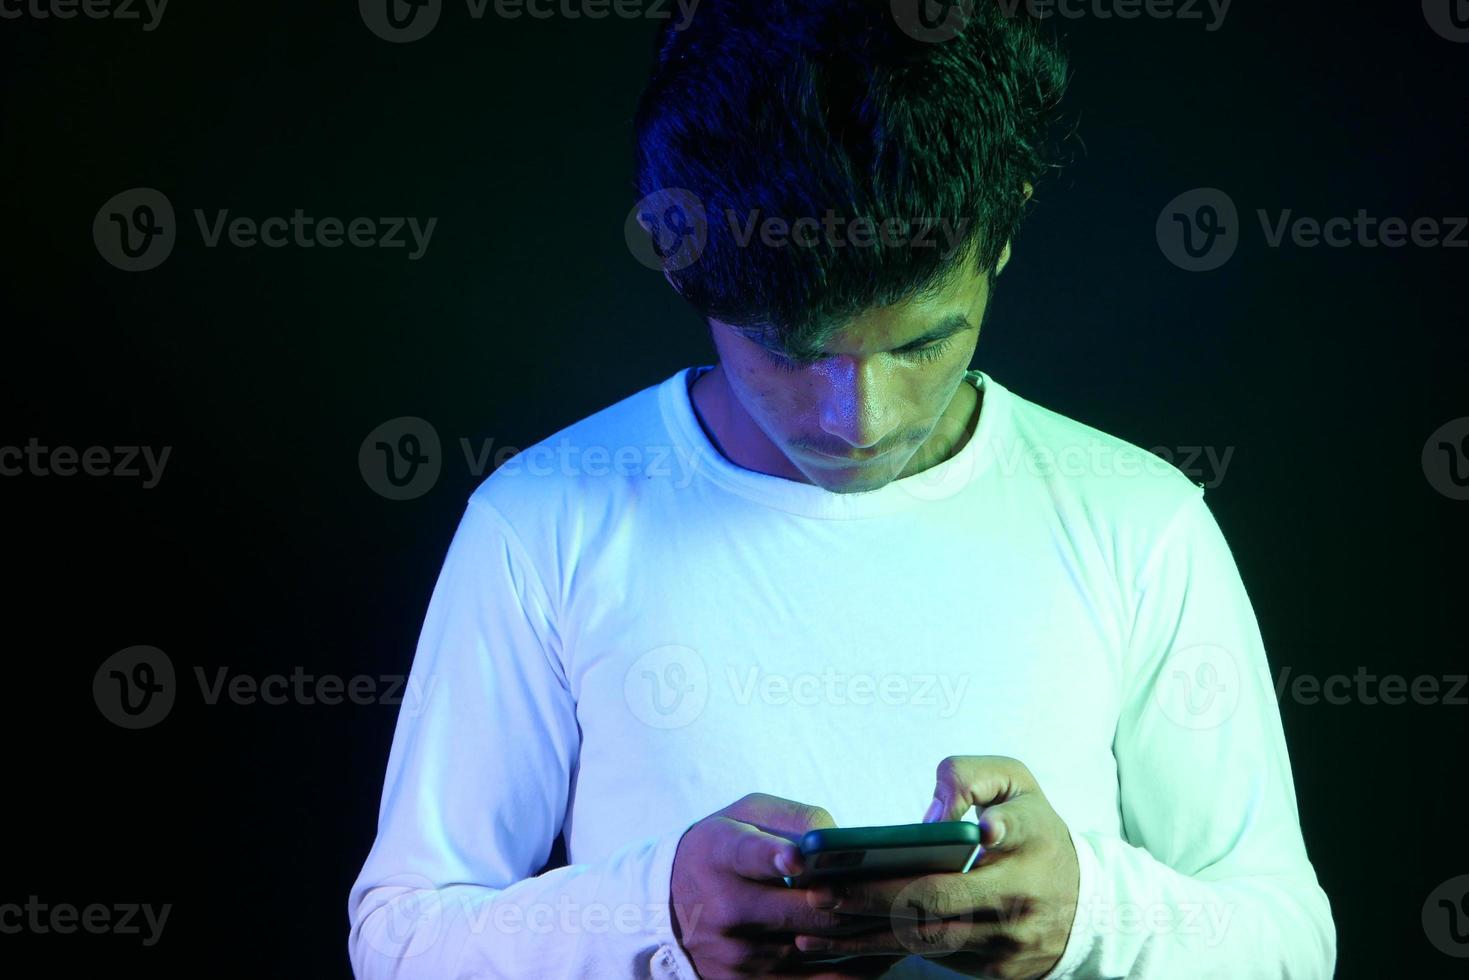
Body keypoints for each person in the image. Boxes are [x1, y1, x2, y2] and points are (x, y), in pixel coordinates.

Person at [348, 2, 1336, 976]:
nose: (856, 420)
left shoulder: (1140, 521)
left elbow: (1289, 937)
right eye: (785, 350)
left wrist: (1088, 913)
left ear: (1001, 234)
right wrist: (658, 913)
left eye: (919, 342)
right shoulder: (541, 520)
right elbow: (398, 937)